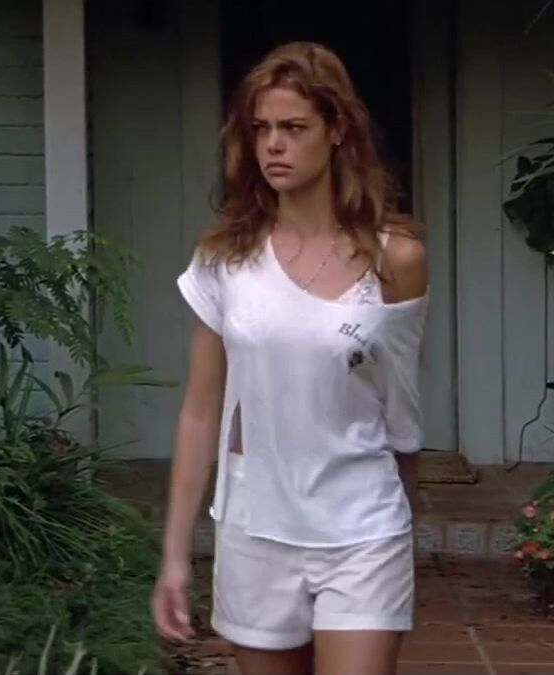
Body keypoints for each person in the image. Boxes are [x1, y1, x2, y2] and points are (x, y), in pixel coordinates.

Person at [150, 40, 430, 675]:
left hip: (363, 525)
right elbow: (200, 412)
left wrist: (407, 528)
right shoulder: (226, 259)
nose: (273, 145)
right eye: (262, 129)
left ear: (337, 130)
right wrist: (174, 556)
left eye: (294, 128)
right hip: (256, 527)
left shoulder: (395, 260)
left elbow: (403, 408)